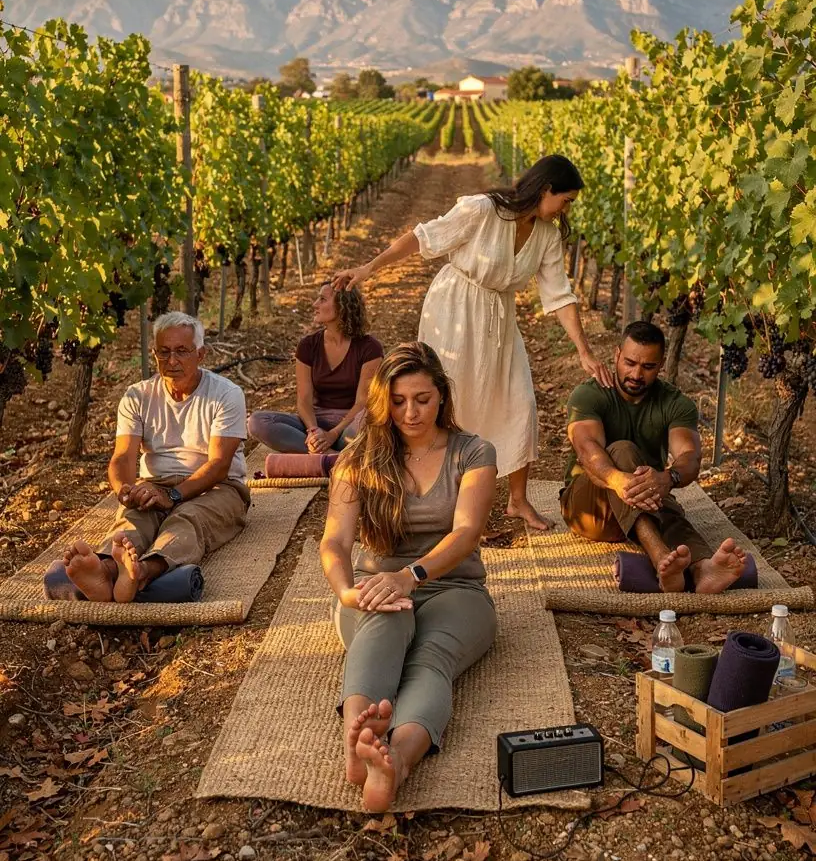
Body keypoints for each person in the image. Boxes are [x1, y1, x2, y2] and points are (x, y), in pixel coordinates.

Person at [333, 156, 612, 531]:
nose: (568, 208)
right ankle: (437, 498)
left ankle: (517, 500)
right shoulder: (483, 210)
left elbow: (559, 294)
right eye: (567, 199)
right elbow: (423, 236)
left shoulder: (546, 235)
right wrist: (369, 268)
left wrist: (583, 350)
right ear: (546, 189)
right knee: (450, 400)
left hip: (499, 317)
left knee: (521, 402)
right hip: (455, 308)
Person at [320, 341, 497, 813]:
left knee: (429, 656)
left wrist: (411, 575)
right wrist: (348, 594)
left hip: (455, 587)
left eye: (422, 399)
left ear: (442, 395)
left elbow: (466, 532)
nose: (411, 412)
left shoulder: (473, 452)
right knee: (387, 617)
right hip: (375, 585)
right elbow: (335, 543)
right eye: (398, 402)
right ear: (384, 402)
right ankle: (355, 746)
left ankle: (395, 759)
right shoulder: (358, 459)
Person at [62, 312, 250, 603]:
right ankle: (107, 569)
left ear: (201, 354)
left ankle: (143, 571)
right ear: (154, 354)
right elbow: (123, 456)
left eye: (182, 351)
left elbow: (219, 465)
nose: (172, 361)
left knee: (188, 519)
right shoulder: (137, 396)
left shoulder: (226, 394)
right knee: (133, 521)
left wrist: (173, 495)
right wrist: (124, 489)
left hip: (218, 488)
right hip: (155, 483)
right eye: (164, 352)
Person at [561, 320, 747, 593]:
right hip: (591, 510)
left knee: (668, 507)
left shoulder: (675, 403)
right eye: (630, 363)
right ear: (616, 356)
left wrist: (667, 477)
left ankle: (703, 569)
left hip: (647, 499)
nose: (636, 373)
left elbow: (690, 457)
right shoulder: (588, 395)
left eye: (648, 367)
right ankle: (660, 557)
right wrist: (617, 480)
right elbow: (588, 451)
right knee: (623, 450)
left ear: (661, 366)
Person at [248, 283, 383, 455]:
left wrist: (333, 434)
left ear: (342, 306)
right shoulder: (308, 345)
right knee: (257, 422)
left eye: (323, 299)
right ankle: (333, 456)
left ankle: (322, 454)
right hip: (316, 422)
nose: (315, 305)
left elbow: (362, 402)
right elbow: (304, 400)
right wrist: (313, 431)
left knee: (369, 421)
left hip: (351, 425)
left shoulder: (370, 347)